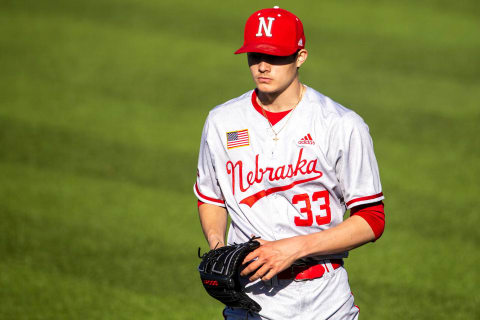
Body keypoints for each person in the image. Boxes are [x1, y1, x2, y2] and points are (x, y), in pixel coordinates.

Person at [194, 6, 385, 320]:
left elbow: (372, 218)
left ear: (301, 56)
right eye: (254, 55)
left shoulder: (341, 125)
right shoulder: (222, 121)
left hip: (324, 299)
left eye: (277, 56)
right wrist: (217, 244)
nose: (263, 66)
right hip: (250, 296)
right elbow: (210, 197)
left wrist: (294, 247)